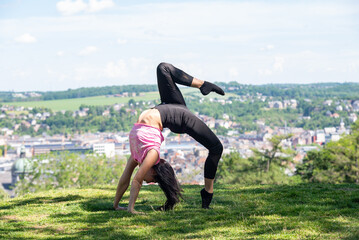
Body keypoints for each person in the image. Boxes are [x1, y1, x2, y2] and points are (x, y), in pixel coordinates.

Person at [113, 62, 224, 214]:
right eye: (152, 181)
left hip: (169, 107)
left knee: (162, 68)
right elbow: (134, 179)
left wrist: (122, 206)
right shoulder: (152, 155)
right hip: (177, 117)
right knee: (216, 148)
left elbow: (130, 178)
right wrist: (124, 207)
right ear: (153, 171)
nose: (148, 181)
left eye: (150, 181)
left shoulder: (139, 156)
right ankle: (208, 192)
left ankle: (203, 85)